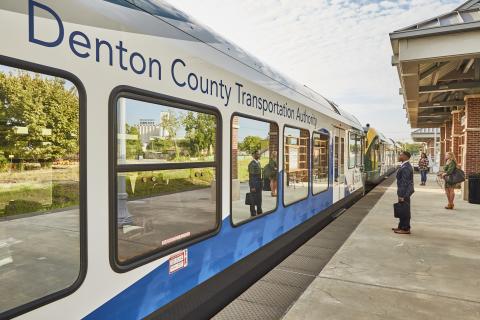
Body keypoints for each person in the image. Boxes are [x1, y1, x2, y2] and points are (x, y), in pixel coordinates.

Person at [393, 151, 414, 234]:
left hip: (404, 192)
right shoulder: (405, 165)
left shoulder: (406, 167)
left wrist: (401, 194)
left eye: (401, 155)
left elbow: (404, 182)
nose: (399, 156)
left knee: (405, 210)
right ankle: (401, 226)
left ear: (405, 156)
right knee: (402, 209)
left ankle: (405, 228)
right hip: (404, 192)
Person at [248, 150, 263, 216]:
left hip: (259, 183)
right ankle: (253, 212)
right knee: (253, 199)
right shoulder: (252, 164)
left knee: (259, 198)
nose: (259, 155)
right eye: (257, 154)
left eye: (259, 154)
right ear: (253, 155)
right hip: (254, 183)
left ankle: (259, 210)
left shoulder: (258, 163)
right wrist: (252, 186)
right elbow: (251, 176)